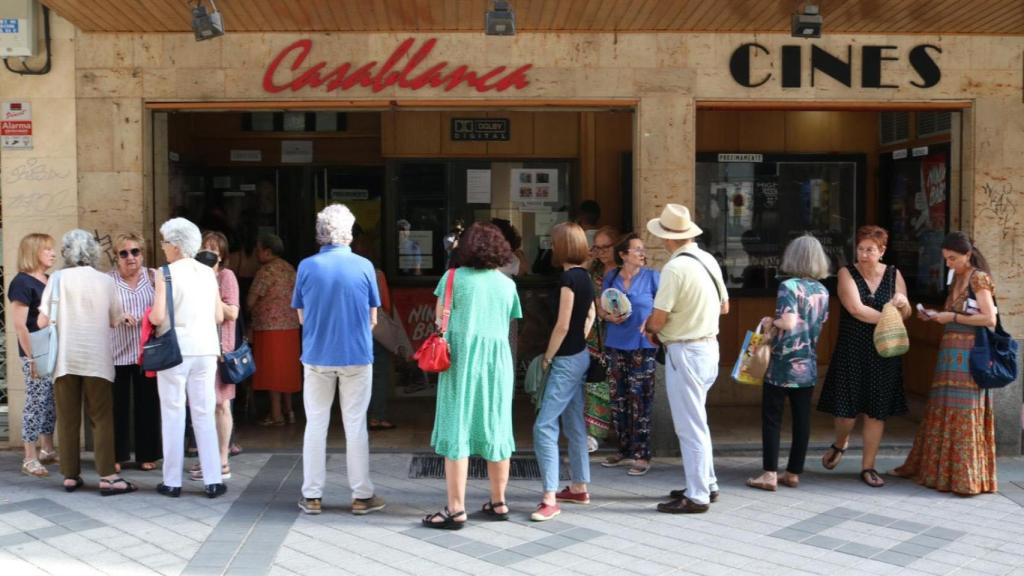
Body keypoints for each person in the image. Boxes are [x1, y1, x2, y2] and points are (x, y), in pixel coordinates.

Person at [422, 223, 523, 529]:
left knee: (458, 429)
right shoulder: (507, 285)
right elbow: (509, 319)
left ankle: (455, 509)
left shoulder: (453, 278)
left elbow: (440, 318)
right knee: (496, 427)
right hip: (497, 364)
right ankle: (499, 501)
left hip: (462, 361)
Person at [294, 204, 386, 516]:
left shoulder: (306, 266)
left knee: (316, 423)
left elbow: (301, 315)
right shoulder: (365, 266)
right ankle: (361, 495)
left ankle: (312, 495)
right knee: (356, 425)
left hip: (317, 355)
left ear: (320, 234)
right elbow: (374, 317)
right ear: (349, 232)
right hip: (356, 355)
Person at [893, 232, 998, 495]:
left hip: (969, 353)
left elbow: (989, 318)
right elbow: (960, 312)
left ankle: (964, 477)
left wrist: (951, 316)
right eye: (946, 259)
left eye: (952, 258)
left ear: (967, 255)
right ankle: (941, 471)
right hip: (950, 351)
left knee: (963, 409)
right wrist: (938, 316)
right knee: (943, 406)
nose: (949, 263)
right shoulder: (957, 278)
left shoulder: (978, 278)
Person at [643, 204, 729, 514]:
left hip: (685, 350)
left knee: (689, 426)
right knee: (698, 420)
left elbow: (658, 319)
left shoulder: (675, 268)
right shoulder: (707, 259)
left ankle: (697, 495)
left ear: (666, 237)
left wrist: (651, 328)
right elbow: (724, 307)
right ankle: (707, 482)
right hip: (708, 347)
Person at [39, 229, 135, 495]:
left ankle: (70, 475)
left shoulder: (56, 279)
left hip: (65, 359)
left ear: (66, 252)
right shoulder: (105, 281)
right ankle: (107, 476)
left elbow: (42, 321)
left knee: (68, 419)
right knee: (102, 418)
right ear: (92, 252)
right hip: (97, 359)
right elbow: (114, 319)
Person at [817, 225, 911, 488]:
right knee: (846, 412)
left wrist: (902, 306)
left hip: (884, 352)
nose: (864, 254)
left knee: (876, 412)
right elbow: (856, 309)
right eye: (860, 249)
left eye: (870, 249)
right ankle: (840, 442)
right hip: (853, 348)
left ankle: (868, 466)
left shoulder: (894, 275)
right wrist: (890, 319)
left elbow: (906, 312)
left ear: (882, 251)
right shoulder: (847, 273)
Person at [149, 218, 227, 498]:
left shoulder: (165, 273)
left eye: (165, 242)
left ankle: (172, 481)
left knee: (173, 412)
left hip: (176, 349)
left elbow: (158, 316)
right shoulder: (208, 272)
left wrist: (149, 319)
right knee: (204, 412)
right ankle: (213, 479)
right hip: (205, 348)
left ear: (177, 245)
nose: (163, 247)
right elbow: (219, 316)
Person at [746, 236, 831, 491]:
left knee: (772, 417)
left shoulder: (789, 286)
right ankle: (793, 472)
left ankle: (769, 473)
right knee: (802, 419)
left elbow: (790, 322)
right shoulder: (823, 290)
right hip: (808, 362)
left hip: (783, 362)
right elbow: (818, 322)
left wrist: (773, 321)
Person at [531, 222, 595, 522]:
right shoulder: (586, 277)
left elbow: (562, 324)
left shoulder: (568, 278)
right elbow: (591, 314)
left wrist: (548, 357)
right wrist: (581, 337)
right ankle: (580, 486)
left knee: (544, 425)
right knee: (574, 423)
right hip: (581, 355)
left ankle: (549, 496)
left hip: (566, 359)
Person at [598, 232, 660, 476]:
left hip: (643, 345)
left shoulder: (653, 276)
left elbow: (664, 307)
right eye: (637, 249)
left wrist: (652, 320)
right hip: (615, 343)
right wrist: (607, 316)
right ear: (623, 255)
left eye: (643, 249)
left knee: (641, 399)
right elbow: (601, 307)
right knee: (619, 398)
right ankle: (623, 449)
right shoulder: (611, 276)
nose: (642, 253)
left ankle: (642, 454)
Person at [189, 231, 240, 481]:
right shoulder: (193, 277)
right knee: (202, 405)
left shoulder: (225, 276)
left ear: (222, 255)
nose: (209, 253)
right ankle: (205, 458)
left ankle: (221, 459)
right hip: (199, 347)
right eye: (204, 248)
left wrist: (211, 287)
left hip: (221, 348)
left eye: (214, 249)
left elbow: (232, 312)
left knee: (221, 403)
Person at [109, 233, 161, 472]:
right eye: (124, 253)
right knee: (116, 406)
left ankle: (146, 454)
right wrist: (117, 317)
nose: (130, 257)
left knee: (147, 404)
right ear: (116, 257)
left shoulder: (153, 277)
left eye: (135, 252)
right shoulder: (107, 281)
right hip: (116, 352)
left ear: (142, 253)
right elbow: (99, 312)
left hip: (146, 353)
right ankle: (116, 454)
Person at [9, 233, 58, 477]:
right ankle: (29, 456)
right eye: (47, 249)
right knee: (35, 402)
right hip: (35, 350)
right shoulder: (21, 283)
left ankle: (47, 449)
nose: (53, 253)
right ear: (34, 251)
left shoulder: (49, 279)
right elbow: (20, 326)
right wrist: (31, 358)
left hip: (52, 348)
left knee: (50, 401)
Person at [248, 233, 301, 426]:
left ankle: (276, 414)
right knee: (286, 369)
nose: (256, 253)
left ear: (267, 251)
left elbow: (251, 300)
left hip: (269, 328)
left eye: (258, 249)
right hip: (291, 326)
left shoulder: (266, 272)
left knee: (272, 371)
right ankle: (289, 411)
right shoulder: (290, 269)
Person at [584, 226, 620, 451]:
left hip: (619, 333)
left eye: (606, 247)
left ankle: (620, 432)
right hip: (595, 335)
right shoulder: (593, 271)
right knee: (595, 384)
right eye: (597, 247)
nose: (602, 251)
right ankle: (595, 433)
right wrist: (587, 260)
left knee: (618, 384)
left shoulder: (625, 272)